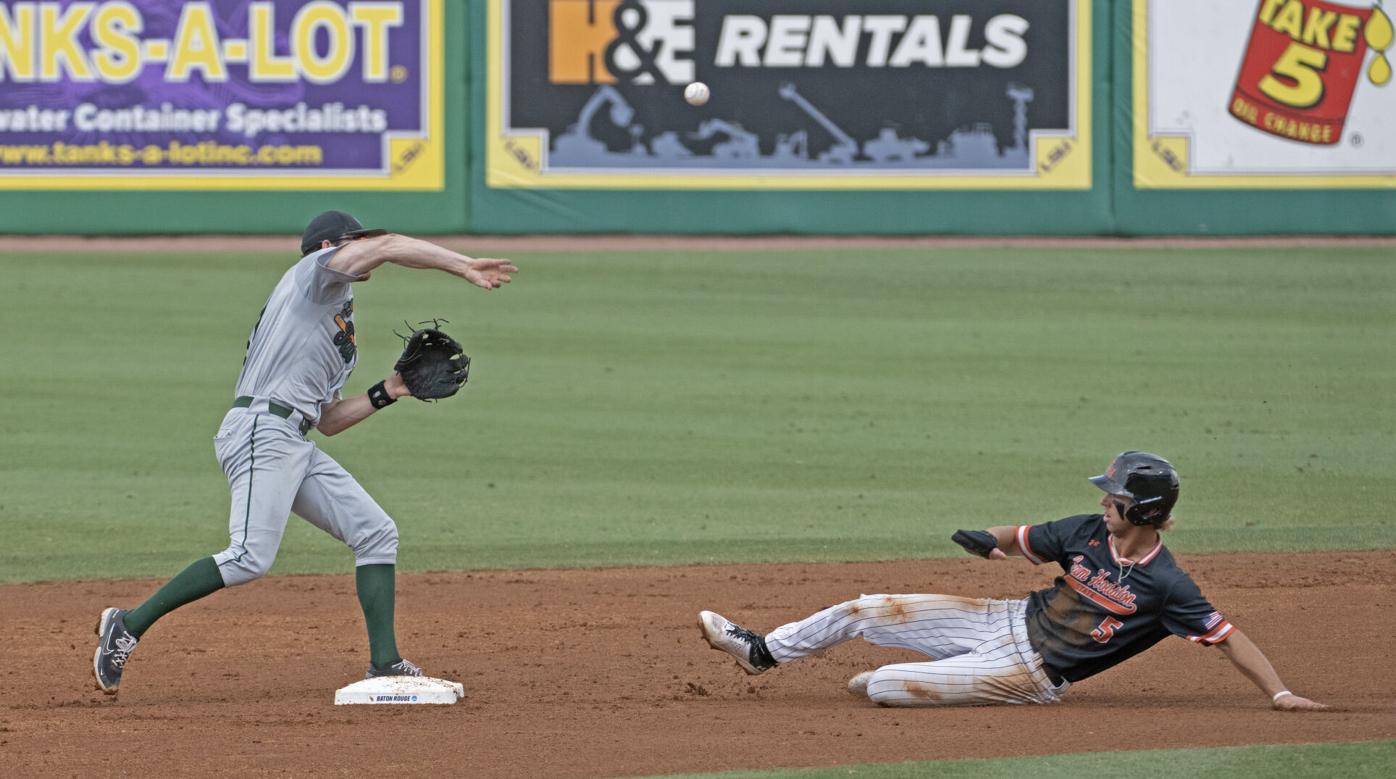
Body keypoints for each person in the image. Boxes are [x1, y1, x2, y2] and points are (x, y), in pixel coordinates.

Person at [93, 211, 518, 694]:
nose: (362, 252)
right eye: (352, 244)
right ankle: (127, 624)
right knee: (250, 555)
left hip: (291, 438)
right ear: (329, 248)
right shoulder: (314, 277)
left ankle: (385, 663)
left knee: (375, 532)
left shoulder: (339, 333)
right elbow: (389, 244)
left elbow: (329, 421)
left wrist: (390, 390)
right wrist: (462, 265)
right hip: (261, 429)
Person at [698, 451, 1326, 711]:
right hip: (1001, 618)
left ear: (1144, 511)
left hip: (1031, 676)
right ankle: (763, 652)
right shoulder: (1086, 531)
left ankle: (910, 676)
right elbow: (1022, 537)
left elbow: (1229, 637)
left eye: (1115, 496)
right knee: (869, 609)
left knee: (885, 687)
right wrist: (985, 540)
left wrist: (1279, 693)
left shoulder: (1168, 586)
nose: (1105, 501)